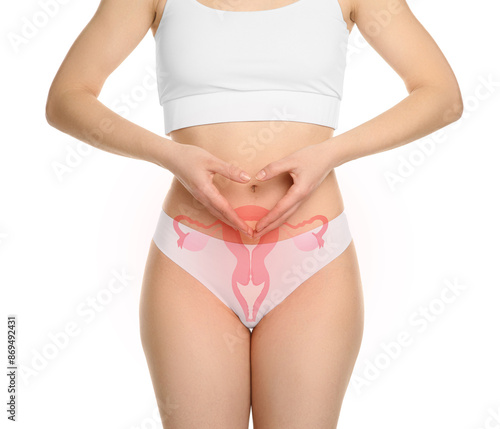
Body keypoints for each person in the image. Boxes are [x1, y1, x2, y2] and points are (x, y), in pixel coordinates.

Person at [45, 0, 463, 427]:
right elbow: (66, 98)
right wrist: (170, 155)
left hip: (312, 260)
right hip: (193, 261)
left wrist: (331, 153)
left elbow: (441, 94)